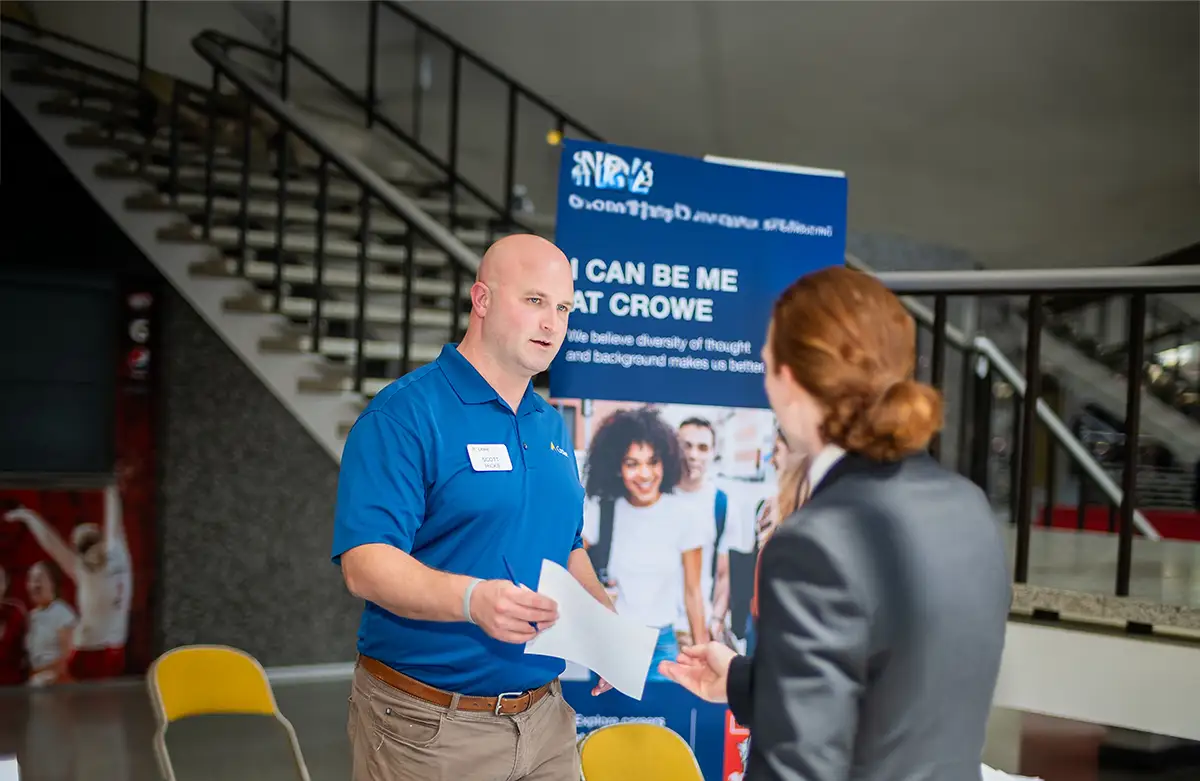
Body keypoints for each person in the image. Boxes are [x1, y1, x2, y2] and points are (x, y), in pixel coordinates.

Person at [660, 266, 1012, 781]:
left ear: (789, 380)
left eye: (767, 356)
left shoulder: (814, 541)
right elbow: (890, 692)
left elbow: (798, 765)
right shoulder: (969, 506)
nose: (763, 369)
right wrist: (741, 680)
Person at [331, 234, 613, 781]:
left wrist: (602, 624)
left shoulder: (550, 424)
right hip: (427, 727)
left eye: (563, 308)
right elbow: (364, 563)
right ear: (481, 300)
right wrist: (470, 599)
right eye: (534, 301)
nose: (552, 323)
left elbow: (566, 543)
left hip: (546, 719)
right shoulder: (405, 415)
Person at [581, 407, 711, 681]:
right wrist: (595, 592)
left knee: (659, 723)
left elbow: (693, 592)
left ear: (666, 462)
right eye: (632, 463)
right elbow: (569, 565)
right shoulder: (600, 510)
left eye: (652, 462)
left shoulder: (686, 515)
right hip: (611, 644)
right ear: (617, 467)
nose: (644, 474)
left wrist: (703, 654)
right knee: (609, 723)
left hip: (662, 646)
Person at [4, 477, 132, 681]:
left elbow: (51, 543)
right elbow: (114, 519)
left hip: (92, 652)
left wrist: (30, 517)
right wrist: (111, 486)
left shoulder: (88, 572)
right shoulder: (119, 555)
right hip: (113, 650)